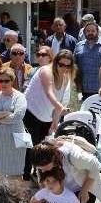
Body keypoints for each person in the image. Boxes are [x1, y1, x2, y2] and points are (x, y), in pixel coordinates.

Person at [22, 46, 66, 181]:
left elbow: (62, 99)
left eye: (44, 54)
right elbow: (49, 93)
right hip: (31, 113)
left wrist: (55, 121)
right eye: (38, 54)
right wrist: (58, 107)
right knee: (31, 147)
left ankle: (38, 173)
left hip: (47, 116)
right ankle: (26, 177)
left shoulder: (64, 76)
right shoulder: (44, 70)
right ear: (55, 61)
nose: (40, 57)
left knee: (42, 148)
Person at [31, 141, 101, 203]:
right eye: (40, 168)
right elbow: (41, 175)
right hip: (63, 191)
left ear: (53, 159)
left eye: (44, 167)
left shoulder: (73, 155)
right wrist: (44, 192)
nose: (43, 171)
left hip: (82, 188)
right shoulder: (42, 159)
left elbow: (95, 165)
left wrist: (85, 190)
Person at [0, 68, 28, 179]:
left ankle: (16, 196)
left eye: (6, 81)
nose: (3, 83)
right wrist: (6, 113)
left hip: (15, 137)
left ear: (12, 81)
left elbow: (17, 117)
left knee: (16, 171)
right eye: (0, 81)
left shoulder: (20, 97)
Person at [75, 21, 101, 99]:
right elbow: (75, 66)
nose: (90, 33)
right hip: (85, 88)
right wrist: (78, 89)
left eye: (93, 31)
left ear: (97, 32)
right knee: (87, 110)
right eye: (88, 31)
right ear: (84, 32)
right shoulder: (79, 45)